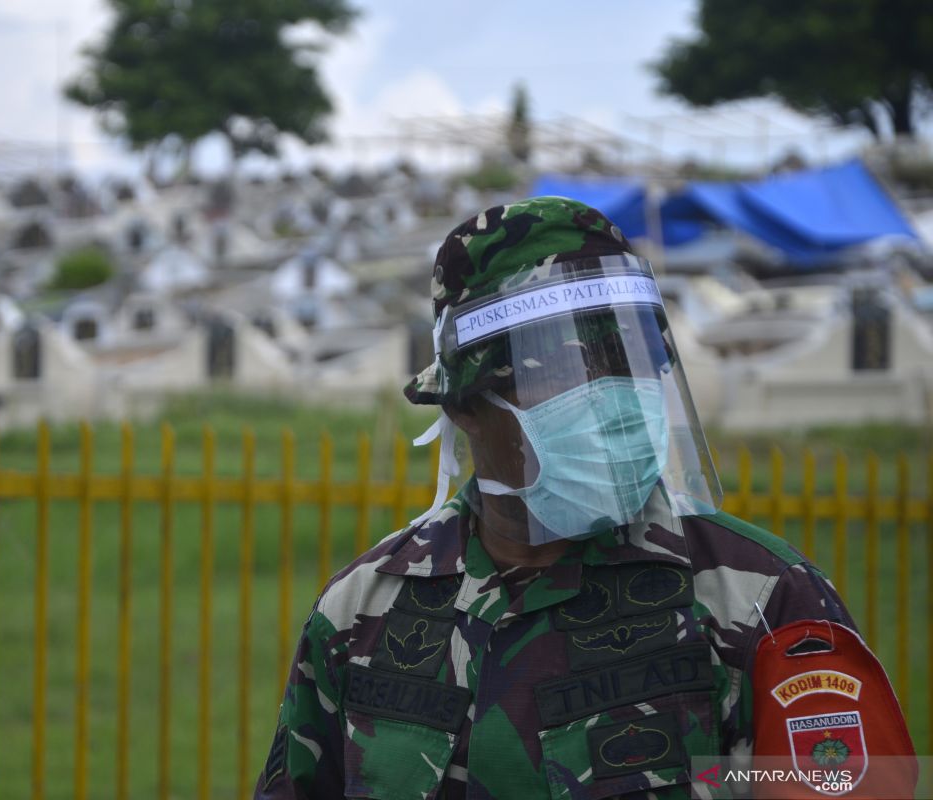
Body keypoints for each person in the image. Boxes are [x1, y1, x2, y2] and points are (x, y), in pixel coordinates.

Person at [254, 197, 909, 799]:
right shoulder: (362, 613)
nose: (618, 400)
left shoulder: (763, 601)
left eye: (631, 360)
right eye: (567, 371)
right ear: (466, 408)